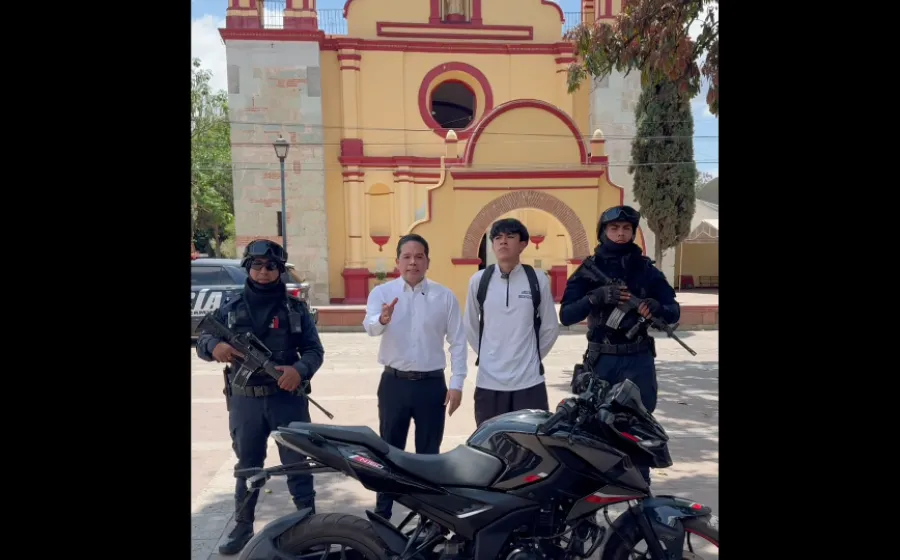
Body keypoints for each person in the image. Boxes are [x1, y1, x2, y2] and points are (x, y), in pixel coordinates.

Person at [196, 239, 325, 555]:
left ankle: (308, 526)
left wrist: (299, 370)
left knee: (297, 463)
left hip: (287, 399)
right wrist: (214, 347)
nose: (263, 271)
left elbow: (314, 350)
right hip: (246, 403)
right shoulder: (230, 307)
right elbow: (204, 337)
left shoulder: (295, 309)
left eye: (270, 266)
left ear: (279, 270)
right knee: (248, 466)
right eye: (256, 265)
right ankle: (242, 528)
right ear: (247, 268)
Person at [558, 205, 680, 486]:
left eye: (626, 228)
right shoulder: (590, 270)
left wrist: (656, 307)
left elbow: (673, 311)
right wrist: (596, 297)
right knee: (595, 429)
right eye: (614, 228)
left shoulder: (646, 270)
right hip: (602, 362)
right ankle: (595, 495)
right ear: (603, 232)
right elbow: (566, 315)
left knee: (638, 430)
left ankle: (639, 493)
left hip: (637, 361)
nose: (621, 234)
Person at [363, 233, 468, 521]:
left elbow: (458, 342)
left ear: (427, 261)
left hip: (432, 386)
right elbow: (369, 327)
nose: (413, 262)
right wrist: (382, 319)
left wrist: (457, 384)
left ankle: (428, 517)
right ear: (397, 262)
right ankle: (383, 514)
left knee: (428, 456)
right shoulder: (382, 294)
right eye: (407, 257)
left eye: (419, 256)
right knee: (388, 452)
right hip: (393, 384)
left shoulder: (444, 297)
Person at [464, 218, 560, 427]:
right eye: (497, 237)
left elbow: (550, 327)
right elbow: (470, 326)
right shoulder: (479, 280)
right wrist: (489, 355)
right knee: (491, 442)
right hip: (489, 382)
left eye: (510, 236)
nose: (503, 241)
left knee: (532, 441)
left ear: (523, 244)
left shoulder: (537, 279)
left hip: (529, 382)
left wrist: (531, 357)